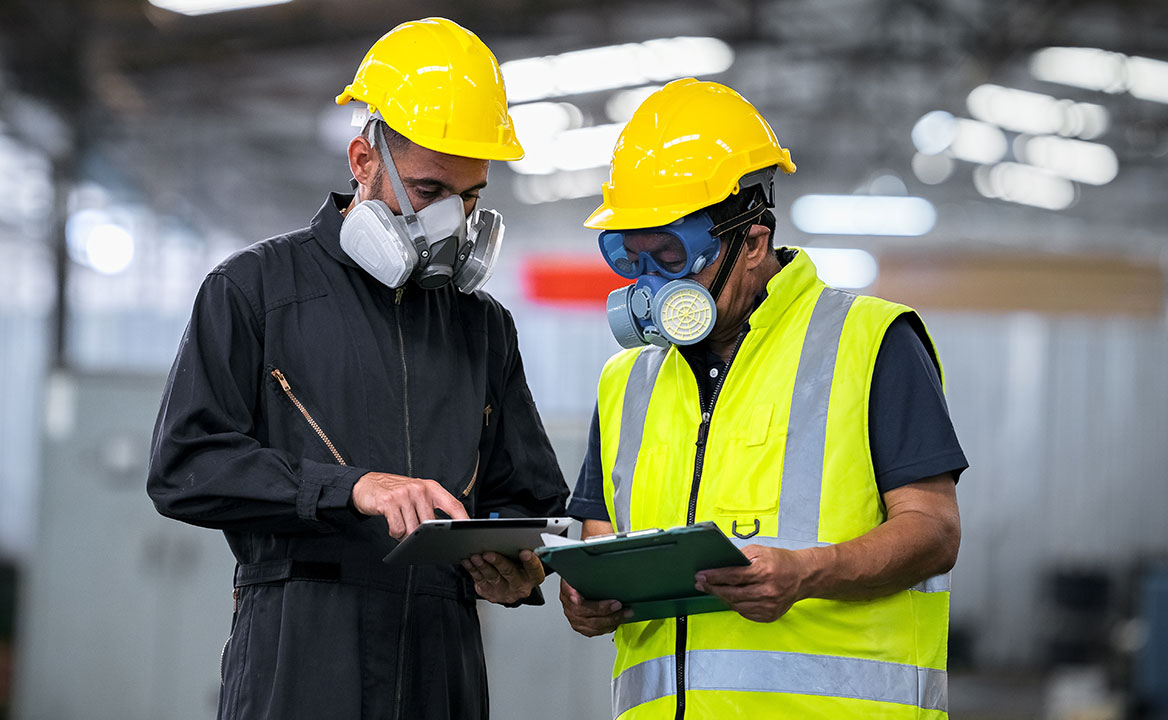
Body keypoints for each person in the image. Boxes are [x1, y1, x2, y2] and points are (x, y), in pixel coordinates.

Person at [147, 17, 570, 720]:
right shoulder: (253, 291)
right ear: (363, 161)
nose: (453, 225)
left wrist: (520, 570)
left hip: (442, 666)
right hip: (301, 657)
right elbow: (185, 466)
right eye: (430, 193)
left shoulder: (483, 328)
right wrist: (349, 489)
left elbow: (529, 499)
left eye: (470, 200)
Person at [558, 78, 966, 719]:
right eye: (632, 261)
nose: (650, 288)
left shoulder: (871, 340)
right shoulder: (625, 381)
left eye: (671, 258)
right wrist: (589, 600)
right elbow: (600, 536)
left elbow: (933, 531)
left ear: (751, 242)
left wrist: (808, 571)